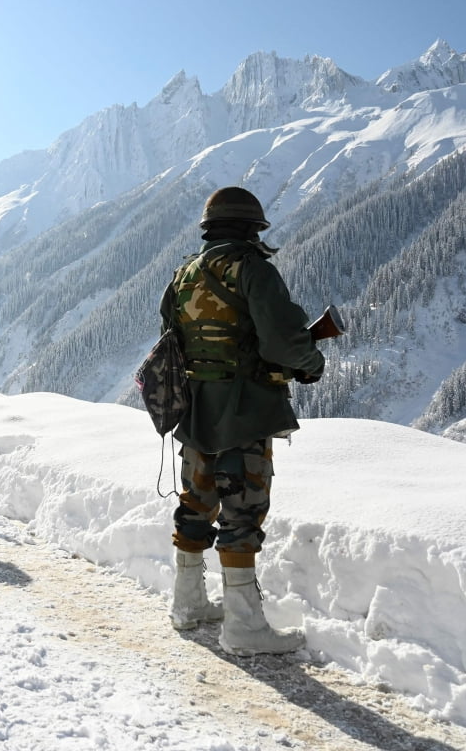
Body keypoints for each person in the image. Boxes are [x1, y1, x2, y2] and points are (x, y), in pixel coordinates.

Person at [160, 185, 324, 656]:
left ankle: (187, 604)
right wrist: (311, 363)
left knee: (196, 501)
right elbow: (282, 341)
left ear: (209, 228)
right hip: (245, 410)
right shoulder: (254, 270)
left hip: (195, 408)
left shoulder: (184, 274)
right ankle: (245, 628)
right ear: (253, 228)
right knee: (243, 510)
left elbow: (171, 338)